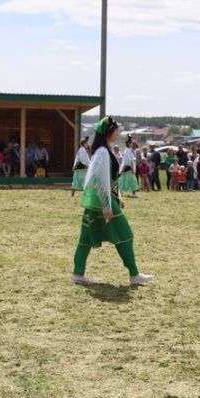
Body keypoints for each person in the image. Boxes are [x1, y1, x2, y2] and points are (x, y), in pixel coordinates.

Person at [71, 116, 153, 286]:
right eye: (116, 130)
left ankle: (78, 274)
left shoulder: (103, 150)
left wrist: (118, 197)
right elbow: (99, 179)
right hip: (102, 202)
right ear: (109, 132)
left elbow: (109, 178)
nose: (118, 133)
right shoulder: (102, 152)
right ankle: (134, 274)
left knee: (86, 237)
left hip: (100, 201)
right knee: (125, 234)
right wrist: (107, 205)